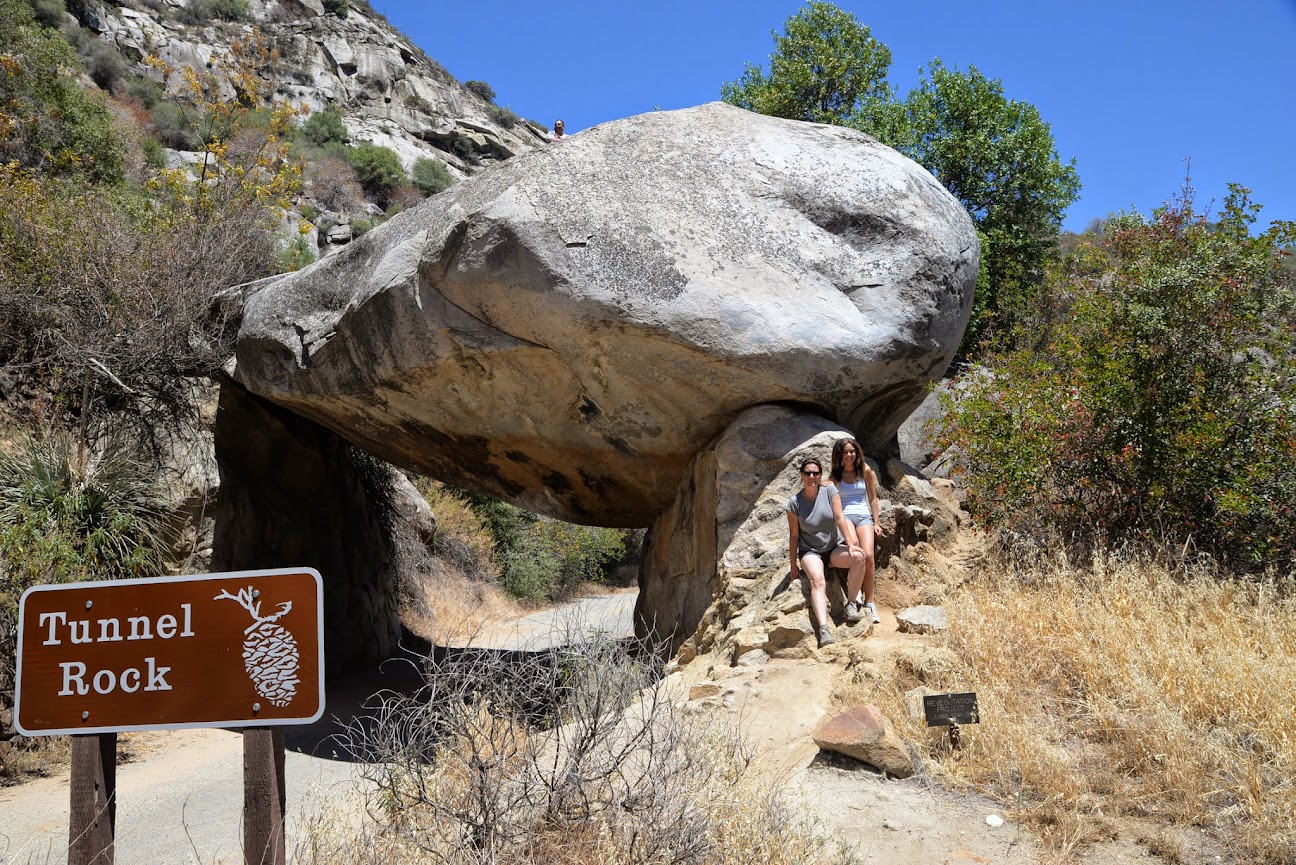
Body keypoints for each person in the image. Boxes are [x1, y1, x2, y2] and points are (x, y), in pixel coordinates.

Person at [786, 457, 867, 647]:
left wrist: (850, 543)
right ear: (801, 475)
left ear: (820, 475)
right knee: (817, 580)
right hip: (810, 551)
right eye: (807, 473)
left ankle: (852, 604)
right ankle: (824, 628)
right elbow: (794, 536)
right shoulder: (794, 503)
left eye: (815, 473)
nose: (811, 476)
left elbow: (839, 518)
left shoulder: (830, 491)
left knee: (859, 557)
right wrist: (793, 566)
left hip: (832, 548)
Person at [828, 438, 884, 624]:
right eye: (845, 452)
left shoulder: (865, 471)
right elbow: (827, 494)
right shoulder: (836, 475)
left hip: (863, 516)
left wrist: (876, 522)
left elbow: (873, 498)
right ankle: (855, 593)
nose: (849, 455)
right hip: (845, 517)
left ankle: (870, 601)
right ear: (840, 455)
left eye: (852, 451)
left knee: (868, 554)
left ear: (857, 452)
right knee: (856, 550)